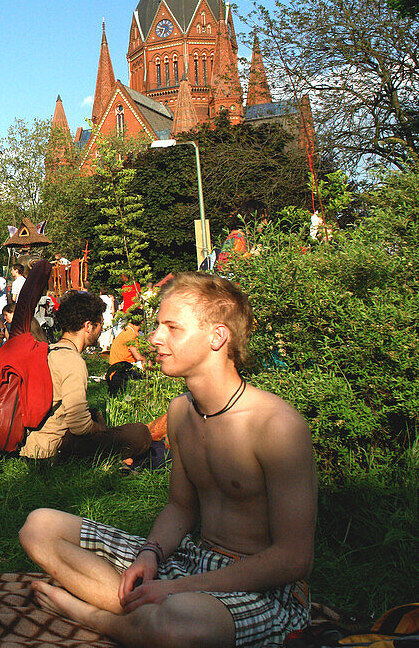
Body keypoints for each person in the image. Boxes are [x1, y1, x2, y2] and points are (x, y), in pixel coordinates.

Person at [19, 273, 316, 648]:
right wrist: (149, 554)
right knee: (39, 527)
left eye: (172, 327)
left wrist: (177, 589)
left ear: (217, 337)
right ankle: (144, 614)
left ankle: (93, 614)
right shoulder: (180, 412)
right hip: (190, 559)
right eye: (159, 325)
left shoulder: (277, 426)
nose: (155, 338)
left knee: (179, 627)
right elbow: (180, 507)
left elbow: (292, 560)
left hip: (260, 589)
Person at [19, 291, 150, 462]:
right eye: (100, 324)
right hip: (53, 449)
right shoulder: (73, 361)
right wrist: (100, 429)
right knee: (140, 433)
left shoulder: (49, 350)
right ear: (88, 326)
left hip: (32, 443)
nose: (101, 329)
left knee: (94, 413)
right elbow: (79, 425)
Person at [106, 310, 146, 397]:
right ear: (142, 321)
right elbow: (138, 357)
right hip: (121, 371)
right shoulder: (130, 334)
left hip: (118, 368)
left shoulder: (128, 331)